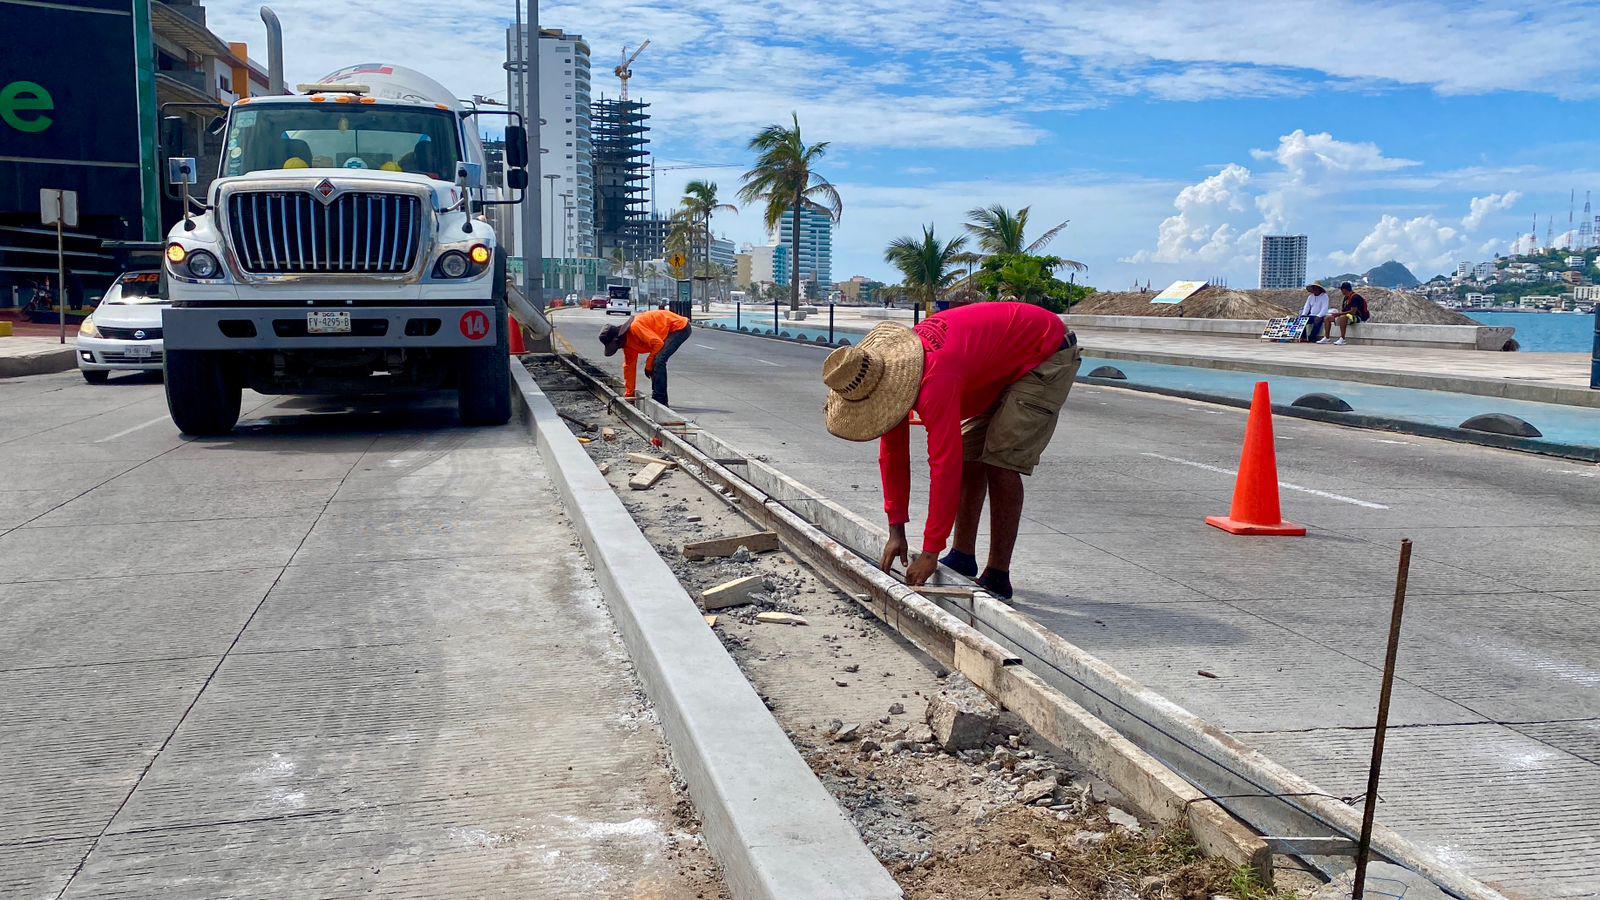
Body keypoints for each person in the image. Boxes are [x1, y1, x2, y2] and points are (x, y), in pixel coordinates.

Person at [821, 302, 1080, 600]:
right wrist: (896, 531)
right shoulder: (887, 377)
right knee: (972, 456)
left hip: (1045, 351)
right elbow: (892, 456)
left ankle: (998, 575)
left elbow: (945, 464)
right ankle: (963, 556)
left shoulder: (934, 380)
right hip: (1000, 359)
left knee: (1001, 460)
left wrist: (931, 550)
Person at [598, 308, 692, 405]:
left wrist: (648, 364)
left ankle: (660, 401)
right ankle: (658, 398)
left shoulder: (635, 328)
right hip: (666, 332)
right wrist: (629, 395)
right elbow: (629, 368)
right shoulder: (627, 346)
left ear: (616, 340)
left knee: (658, 361)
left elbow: (658, 344)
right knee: (655, 362)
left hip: (679, 327)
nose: (618, 348)